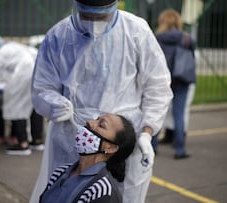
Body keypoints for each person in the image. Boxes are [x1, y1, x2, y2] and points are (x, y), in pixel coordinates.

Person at [30, 0, 173, 202]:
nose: (94, 24)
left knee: (125, 194)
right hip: (72, 136)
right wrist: (54, 105)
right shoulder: (59, 35)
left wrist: (147, 132)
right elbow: (41, 87)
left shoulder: (136, 31)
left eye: (101, 17)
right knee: (67, 191)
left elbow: (157, 86)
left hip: (123, 139)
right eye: (88, 17)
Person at [40, 113, 136, 203]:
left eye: (101, 125)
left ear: (110, 148)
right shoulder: (59, 172)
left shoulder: (102, 191)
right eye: (96, 119)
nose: (90, 122)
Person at [0, 35, 44, 155]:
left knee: (17, 106)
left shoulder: (0, 53)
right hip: (39, 72)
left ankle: (23, 144)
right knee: (35, 106)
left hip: (24, 73)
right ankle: (37, 141)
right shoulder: (16, 47)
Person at [153, 9, 196, 159]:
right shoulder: (187, 38)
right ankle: (179, 149)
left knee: (158, 112)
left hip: (162, 80)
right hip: (181, 79)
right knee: (179, 114)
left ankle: (153, 147)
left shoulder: (157, 38)